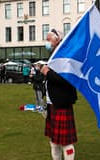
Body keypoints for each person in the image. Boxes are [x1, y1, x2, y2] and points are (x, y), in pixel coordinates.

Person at [41, 29, 78, 160]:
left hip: (62, 103)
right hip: (52, 103)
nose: (46, 42)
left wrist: (47, 72)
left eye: (48, 39)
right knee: (53, 141)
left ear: (57, 40)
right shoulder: (54, 56)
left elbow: (68, 80)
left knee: (66, 143)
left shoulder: (66, 56)